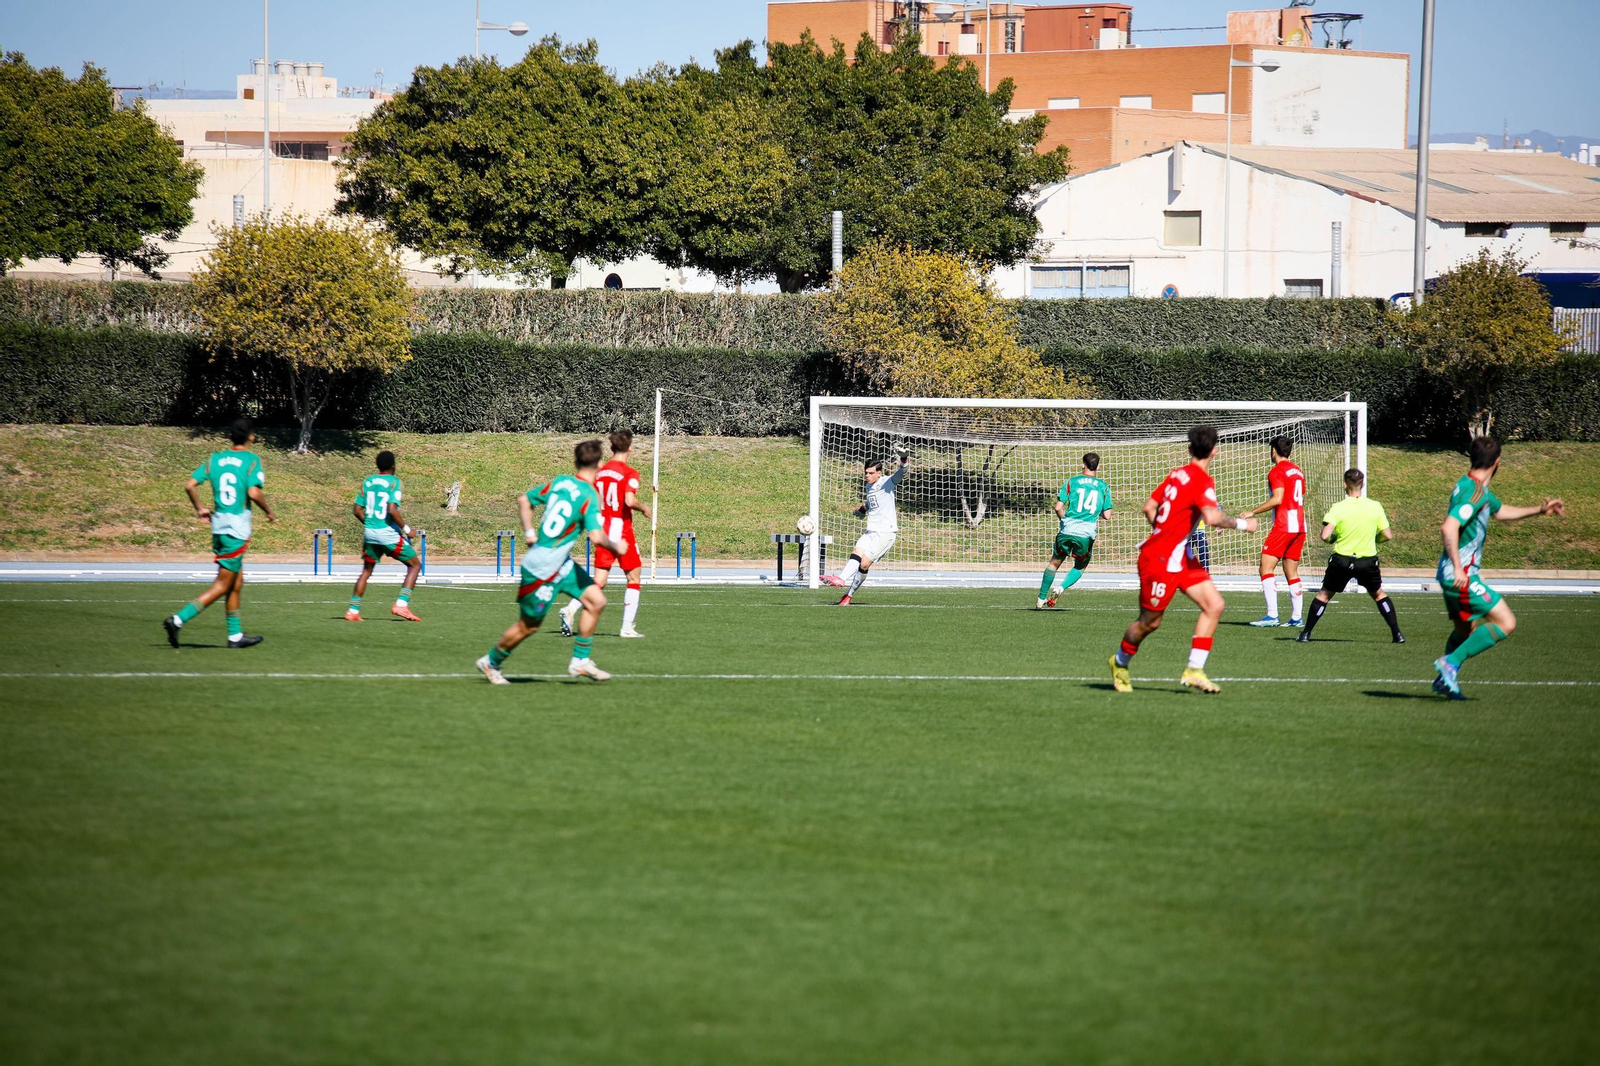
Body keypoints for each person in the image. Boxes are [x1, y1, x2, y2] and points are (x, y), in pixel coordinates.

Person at [1109, 425, 1258, 694]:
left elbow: (1149, 507)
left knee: (1214, 604)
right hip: (1159, 560)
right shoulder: (1202, 480)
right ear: (1215, 451)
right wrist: (1243, 524)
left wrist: (1167, 532)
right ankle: (1119, 662)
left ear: (1189, 449)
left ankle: (1194, 670)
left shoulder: (1175, 474)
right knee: (1149, 623)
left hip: (1182, 557)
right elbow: (1212, 518)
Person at [476, 439, 627, 685]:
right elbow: (597, 537)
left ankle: (580, 662)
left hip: (560, 563)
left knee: (596, 601)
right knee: (528, 626)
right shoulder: (590, 494)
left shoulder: (560, 482)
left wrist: (529, 533)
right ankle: (490, 662)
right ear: (599, 464)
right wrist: (616, 545)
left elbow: (525, 500)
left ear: (576, 461)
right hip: (542, 567)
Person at [1431, 437, 1564, 699]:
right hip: (1461, 575)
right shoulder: (1474, 492)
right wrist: (1459, 568)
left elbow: (1500, 511)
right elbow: (1449, 526)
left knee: (1464, 630)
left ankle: (1444, 680)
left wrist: (1539, 509)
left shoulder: (1470, 485)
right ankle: (1450, 664)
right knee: (1506, 622)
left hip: (1448, 573)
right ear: (1497, 461)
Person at [162, 418, 274, 649]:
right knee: (222, 585)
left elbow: (189, 485)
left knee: (236, 581)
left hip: (219, 527)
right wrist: (269, 511)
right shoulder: (252, 460)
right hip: (236, 529)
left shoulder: (216, 459)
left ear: (230, 437)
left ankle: (235, 637)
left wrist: (200, 509)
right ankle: (178, 620)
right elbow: (253, 493)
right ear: (251, 436)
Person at [560, 429, 651, 639]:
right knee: (634, 577)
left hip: (602, 528)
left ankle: (571, 609)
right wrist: (643, 507)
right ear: (630, 447)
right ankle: (627, 627)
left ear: (611, 448)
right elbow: (629, 501)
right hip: (622, 530)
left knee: (600, 579)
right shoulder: (629, 473)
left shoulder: (600, 471)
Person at [1296, 468, 1403, 643]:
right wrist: (1374, 539)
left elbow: (1325, 535)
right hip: (1367, 561)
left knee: (1324, 595)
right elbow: (1387, 535)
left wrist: (1333, 538)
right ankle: (1397, 634)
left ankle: (1306, 633)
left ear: (1344, 485)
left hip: (1342, 560)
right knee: (1378, 594)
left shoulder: (1338, 507)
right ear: (1363, 484)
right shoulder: (1375, 506)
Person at [345, 450, 422, 622]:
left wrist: (370, 524)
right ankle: (401, 605)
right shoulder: (395, 482)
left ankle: (353, 610)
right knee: (415, 566)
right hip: (387, 533)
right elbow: (392, 509)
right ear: (393, 466)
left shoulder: (368, 481)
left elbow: (357, 510)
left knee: (366, 570)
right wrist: (407, 530)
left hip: (370, 533)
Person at [1239, 436, 1307, 628]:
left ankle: (1272, 615)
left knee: (1266, 567)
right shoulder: (1298, 471)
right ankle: (1296, 618)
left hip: (1284, 525)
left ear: (1274, 451)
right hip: (1300, 526)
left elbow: (1278, 499)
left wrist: (1252, 511)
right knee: (1291, 571)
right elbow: (1300, 494)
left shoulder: (1277, 471)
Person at [836, 444, 911, 606]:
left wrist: (904, 459)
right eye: (866, 473)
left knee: (864, 564)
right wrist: (862, 509)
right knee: (857, 552)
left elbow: (902, 473)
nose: (867, 476)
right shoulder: (869, 485)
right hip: (871, 531)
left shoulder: (888, 482)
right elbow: (872, 502)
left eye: (871, 473)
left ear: (879, 473)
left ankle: (848, 595)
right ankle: (841, 579)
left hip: (885, 534)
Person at [1038, 453, 1112, 608]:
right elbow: (1107, 515)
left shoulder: (1072, 481)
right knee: (1080, 566)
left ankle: (1040, 599)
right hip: (1086, 533)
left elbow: (1058, 507)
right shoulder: (1103, 487)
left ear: (1082, 465)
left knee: (1054, 563)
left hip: (1067, 529)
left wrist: (1065, 522)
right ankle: (1061, 587)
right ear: (1098, 467)